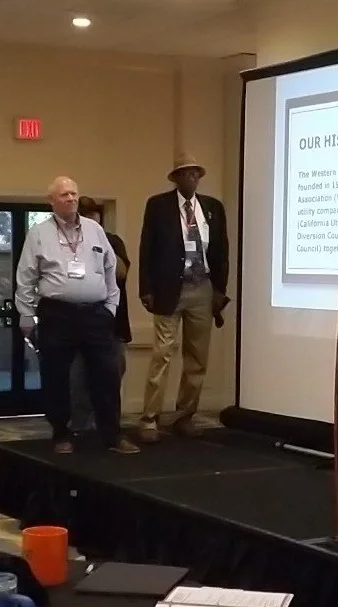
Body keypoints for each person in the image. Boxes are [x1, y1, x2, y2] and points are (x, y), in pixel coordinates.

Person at [17, 177, 139, 455]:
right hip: (57, 315)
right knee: (57, 376)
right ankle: (61, 433)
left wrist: (110, 307)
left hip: (96, 315)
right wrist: (26, 315)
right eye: (64, 195)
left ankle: (113, 435)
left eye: (74, 193)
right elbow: (25, 278)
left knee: (107, 375)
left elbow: (112, 271)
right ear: (52, 201)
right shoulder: (38, 234)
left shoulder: (95, 230)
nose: (71, 198)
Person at [137, 154, 229, 444]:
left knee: (197, 357)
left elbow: (221, 251)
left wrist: (219, 290)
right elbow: (146, 249)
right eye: (187, 174)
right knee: (162, 353)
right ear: (175, 178)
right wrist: (146, 289)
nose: (193, 179)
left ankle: (184, 416)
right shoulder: (158, 206)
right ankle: (149, 418)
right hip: (168, 288)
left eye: (196, 174)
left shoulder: (213, 207)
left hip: (202, 286)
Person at [67, 196, 131, 434]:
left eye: (93, 215)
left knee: (111, 380)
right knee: (78, 382)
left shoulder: (112, 241)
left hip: (112, 327)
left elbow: (121, 273)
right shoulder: (66, 245)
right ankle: (79, 429)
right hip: (76, 327)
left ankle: (109, 430)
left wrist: (99, 246)